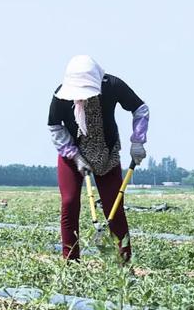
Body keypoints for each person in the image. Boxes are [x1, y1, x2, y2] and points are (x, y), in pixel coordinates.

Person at [47, 55, 149, 262]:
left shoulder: (112, 85)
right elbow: (54, 126)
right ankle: (71, 261)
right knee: (69, 202)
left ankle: (123, 262)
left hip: (106, 152)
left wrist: (138, 142)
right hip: (72, 154)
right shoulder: (60, 95)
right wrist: (74, 156)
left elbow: (140, 109)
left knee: (114, 207)